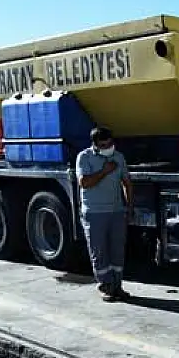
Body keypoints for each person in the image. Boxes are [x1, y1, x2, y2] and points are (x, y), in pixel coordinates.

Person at [76, 127, 133, 302]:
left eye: (110, 143)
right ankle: (105, 286)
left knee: (117, 251)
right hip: (95, 212)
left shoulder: (119, 157)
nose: (108, 147)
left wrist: (129, 206)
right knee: (99, 251)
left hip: (116, 211)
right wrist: (104, 171)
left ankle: (117, 286)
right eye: (103, 145)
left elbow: (127, 183)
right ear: (95, 144)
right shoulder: (84, 157)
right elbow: (84, 182)